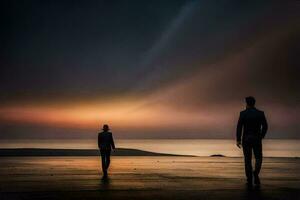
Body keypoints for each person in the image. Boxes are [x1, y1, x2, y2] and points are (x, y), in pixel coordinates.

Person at [236, 96, 268, 188]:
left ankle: (249, 179)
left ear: (247, 103)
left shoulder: (243, 113)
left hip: (246, 139)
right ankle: (256, 173)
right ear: (254, 103)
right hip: (257, 138)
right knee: (258, 157)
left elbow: (239, 127)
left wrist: (238, 139)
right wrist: (261, 136)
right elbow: (265, 126)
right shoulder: (260, 113)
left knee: (247, 159)